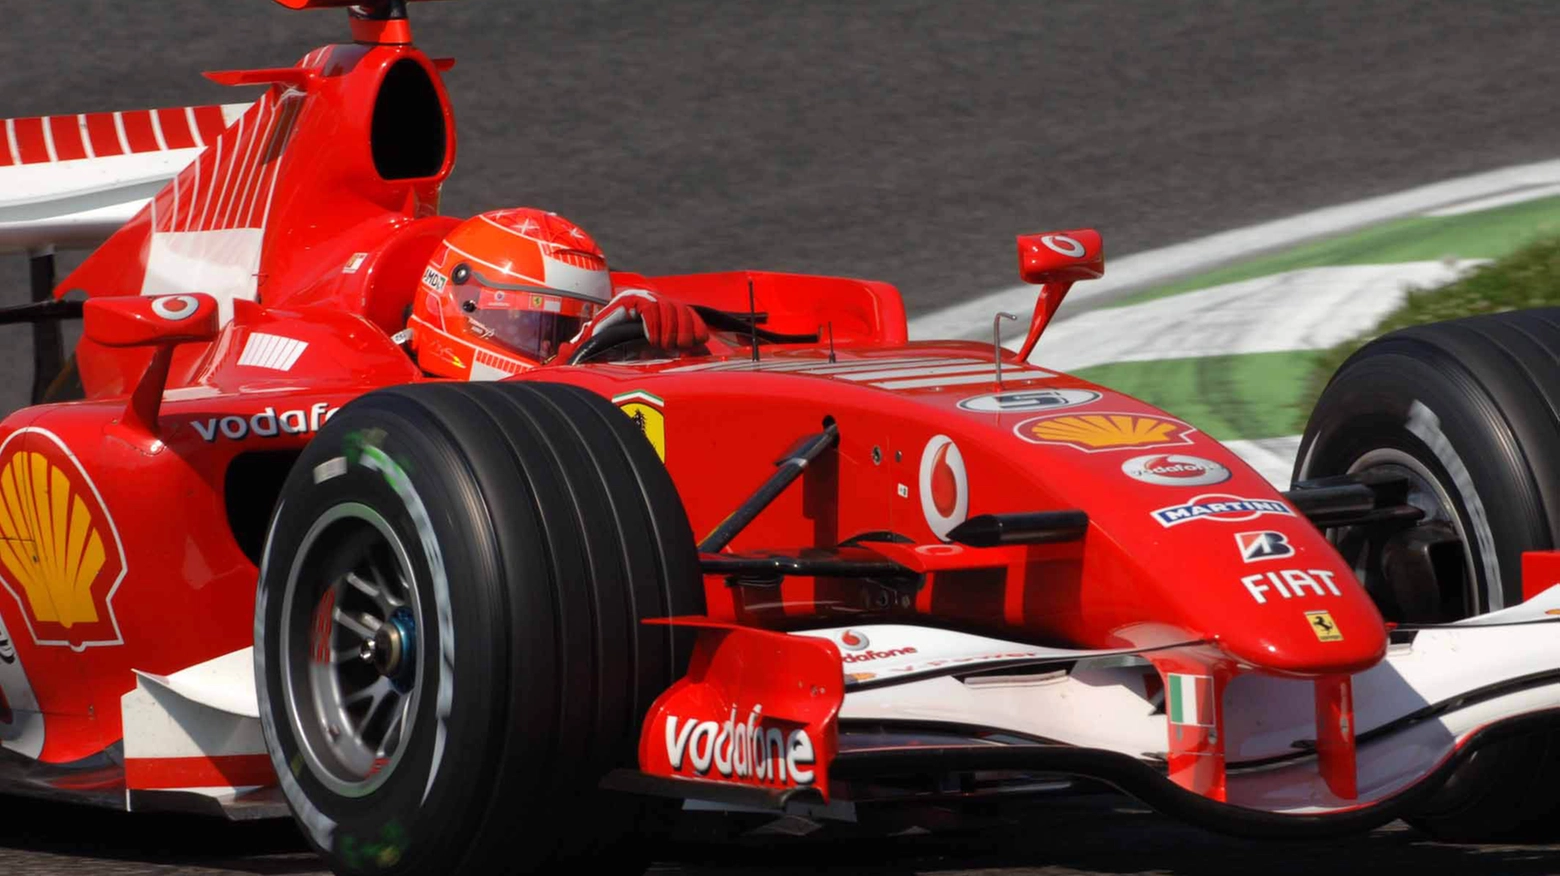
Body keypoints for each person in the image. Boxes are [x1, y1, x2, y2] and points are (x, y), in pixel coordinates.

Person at [407, 207, 708, 380]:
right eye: (528, 327)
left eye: (574, 331)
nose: (558, 349)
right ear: (466, 304)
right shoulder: (392, 404)